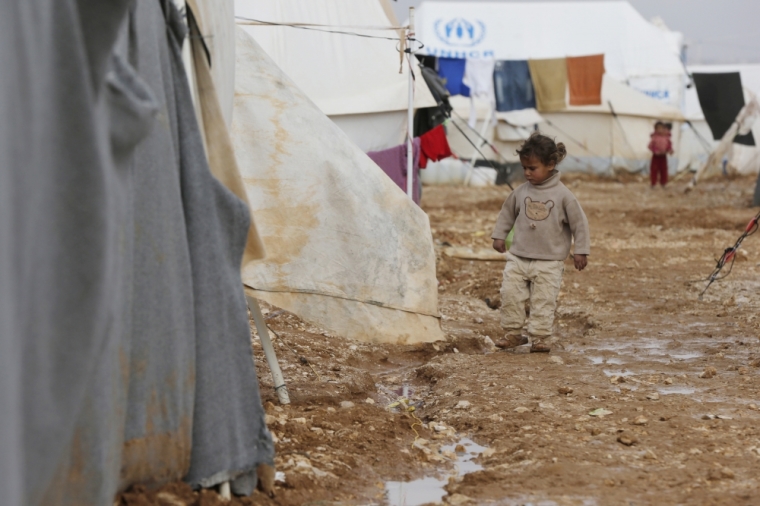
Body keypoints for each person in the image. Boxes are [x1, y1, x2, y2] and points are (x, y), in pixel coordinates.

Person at [490, 133, 590, 353]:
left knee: (543, 300)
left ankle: (540, 337)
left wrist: (581, 250)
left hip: (550, 261)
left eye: (532, 168)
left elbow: (579, 224)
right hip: (518, 257)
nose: (526, 173)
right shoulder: (520, 192)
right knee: (510, 295)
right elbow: (507, 213)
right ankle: (513, 333)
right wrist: (499, 235)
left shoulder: (564, 196)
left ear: (550, 165)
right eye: (524, 167)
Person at [648, 121, 673, 188]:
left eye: (661, 128)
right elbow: (650, 146)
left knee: (664, 170)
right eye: (658, 128)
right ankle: (653, 183)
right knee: (654, 169)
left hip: (663, 156)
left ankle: (663, 183)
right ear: (655, 129)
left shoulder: (666, 137)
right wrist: (655, 151)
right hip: (656, 156)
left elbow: (668, 145)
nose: (660, 130)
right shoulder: (654, 137)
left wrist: (670, 150)